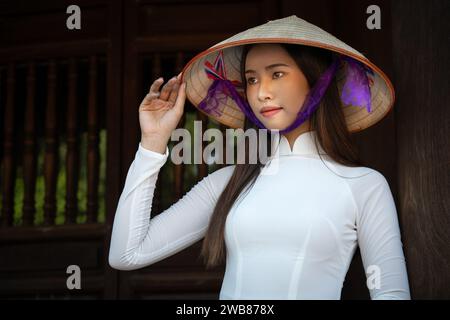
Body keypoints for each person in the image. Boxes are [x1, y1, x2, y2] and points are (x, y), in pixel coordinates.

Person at [108, 15, 411, 300]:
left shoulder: (364, 186)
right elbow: (126, 254)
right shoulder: (230, 182)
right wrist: (152, 142)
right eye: (252, 80)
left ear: (318, 81)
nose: (261, 92)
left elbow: (390, 292)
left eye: (277, 74)